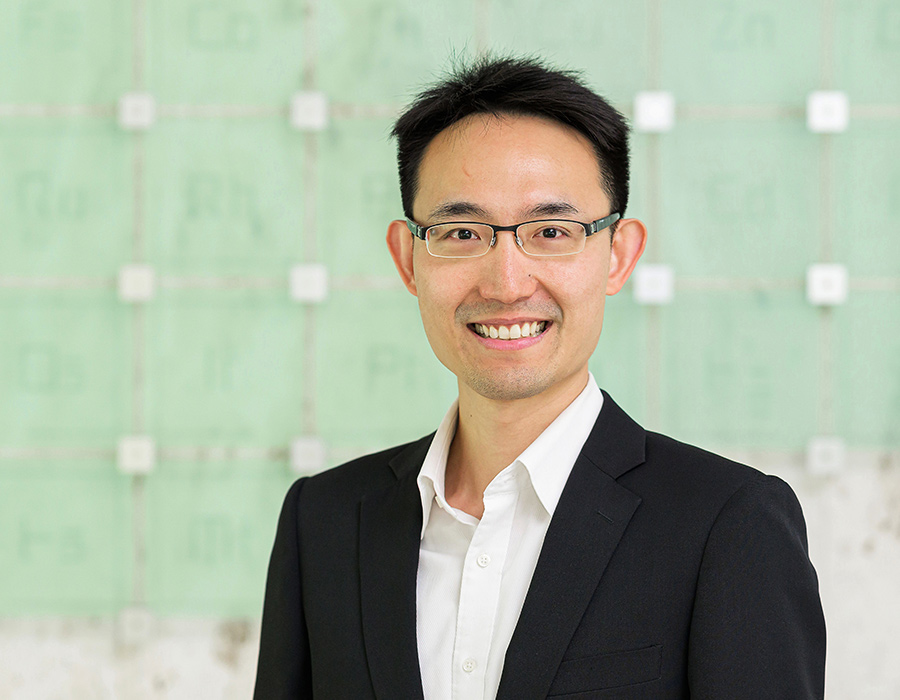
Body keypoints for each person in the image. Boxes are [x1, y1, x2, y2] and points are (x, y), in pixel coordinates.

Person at [254, 55, 826, 699]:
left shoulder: (727, 522)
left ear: (619, 254)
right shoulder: (326, 520)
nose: (506, 282)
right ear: (408, 257)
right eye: (461, 231)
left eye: (552, 231)